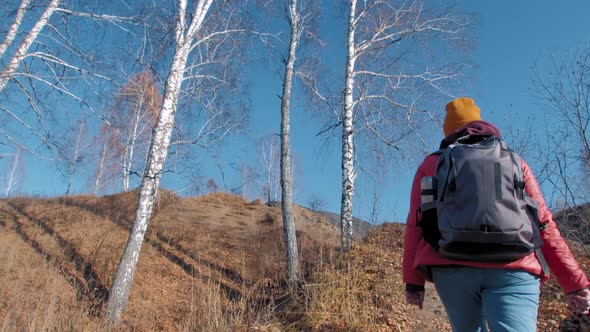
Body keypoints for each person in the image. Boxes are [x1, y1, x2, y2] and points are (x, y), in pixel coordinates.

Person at [403, 97, 590, 331]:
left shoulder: (432, 164)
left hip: (452, 267)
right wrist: (575, 284)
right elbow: (543, 222)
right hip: (514, 265)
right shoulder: (514, 161)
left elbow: (416, 224)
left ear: (448, 130)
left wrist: (413, 283)